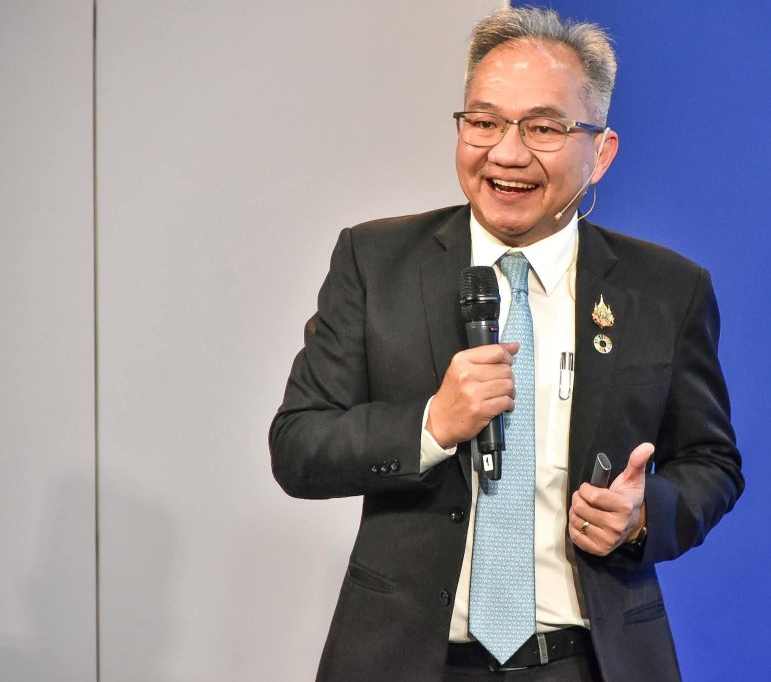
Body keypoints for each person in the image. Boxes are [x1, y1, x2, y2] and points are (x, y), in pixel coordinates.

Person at [270, 7, 742, 682]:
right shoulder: (375, 263)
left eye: (543, 128)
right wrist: (431, 424)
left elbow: (710, 462)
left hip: (585, 662)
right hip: (407, 662)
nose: (507, 153)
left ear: (601, 152)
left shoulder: (665, 289)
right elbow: (298, 446)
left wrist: (643, 517)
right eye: (484, 122)